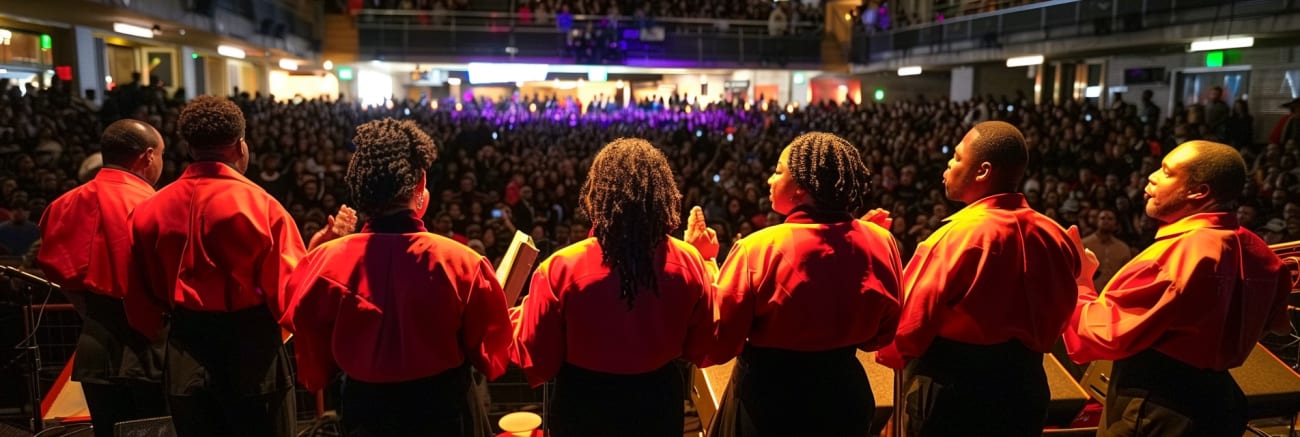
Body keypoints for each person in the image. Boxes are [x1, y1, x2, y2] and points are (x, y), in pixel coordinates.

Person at [124, 96, 355, 437]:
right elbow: (291, 296)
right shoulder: (263, 207)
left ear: (189, 147)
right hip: (253, 359)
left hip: (184, 354)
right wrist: (321, 251)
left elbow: (139, 301)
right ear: (240, 146)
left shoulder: (148, 210)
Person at [283, 119, 512, 436]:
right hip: (446, 413)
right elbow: (493, 359)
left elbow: (314, 370)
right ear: (420, 184)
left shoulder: (324, 263)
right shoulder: (464, 262)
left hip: (366, 414)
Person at [1064, 140, 1292, 437]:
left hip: (1159, 407)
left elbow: (1105, 335)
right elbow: (1278, 326)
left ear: (1199, 192)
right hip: (1221, 400)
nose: (1152, 176)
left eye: (1167, 172)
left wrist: (1080, 282)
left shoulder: (1179, 256)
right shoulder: (1261, 253)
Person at [877, 121, 1083, 437]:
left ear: (982, 171)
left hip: (957, 392)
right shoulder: (1056, 236)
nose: (948, 164)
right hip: (1027, 387)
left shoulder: (957, 237)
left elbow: (907, 328)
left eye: (957, 157)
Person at [691, 132, 903, 436]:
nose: (769, 180)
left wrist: (704, 261)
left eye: (778, 171)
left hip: (769, 403)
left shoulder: (759, 247)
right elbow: (881, 335)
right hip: (845, 398)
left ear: (801, 190)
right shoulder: (881, 242)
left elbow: (720, 341)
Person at [512, 138, 715, 436]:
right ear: (664, 195)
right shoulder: (689, 262)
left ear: (597, 194)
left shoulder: (561, 268)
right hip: (658, 403)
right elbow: (702, 347)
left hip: (583, 405)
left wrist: (518, 316)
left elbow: (539, 360)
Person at [35, 119, 168, 437]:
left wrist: (94, 314)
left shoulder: (62, 205)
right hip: (152, 348)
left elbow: (64, 279)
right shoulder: (155, 205)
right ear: (148, 156)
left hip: (95, 345)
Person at [1081, 208, 1132, 288]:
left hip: (1113, 291)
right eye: (1102, 218)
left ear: (1116, 224)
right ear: (1097, 221)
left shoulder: (1123, 248)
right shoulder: (1084, 244)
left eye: (1110, 219)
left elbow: (1126, 274)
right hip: (1088, 291)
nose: (1106, 221)